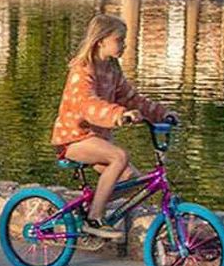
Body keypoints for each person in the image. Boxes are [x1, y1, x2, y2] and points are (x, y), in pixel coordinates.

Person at [51, 13, 174, 241]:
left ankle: (87, 209)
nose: (124, 45)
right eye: (120, 40)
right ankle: (95, 218)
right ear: (101, 41)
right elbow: (88, 104)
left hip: (96, 139)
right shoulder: (82, 70)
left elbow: (132, 98)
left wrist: (161, 113)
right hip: (74, 138)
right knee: (120, 156)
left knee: (132, 179)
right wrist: (118, 114)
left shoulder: (112, 70)